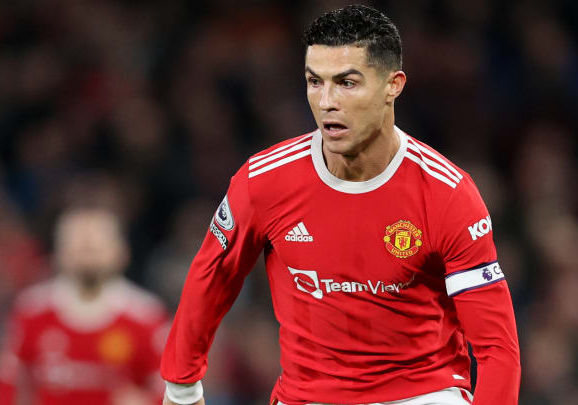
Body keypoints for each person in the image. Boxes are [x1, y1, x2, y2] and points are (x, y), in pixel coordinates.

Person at [161, 5, 520, 405]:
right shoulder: (264, 181)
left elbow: (496, 347)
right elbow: (212, 275)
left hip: (422, 394)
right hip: (307, 397)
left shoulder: (447, 195)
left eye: (347, 83)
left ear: (393, 85)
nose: (326, 101)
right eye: (315, 82)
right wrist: (181, 387)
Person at [0, 206, 169, 405]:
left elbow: (171, 390)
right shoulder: (29, 312)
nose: (86, 244)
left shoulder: (147, 317)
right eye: (76, 242)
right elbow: (5, 386)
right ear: (57, 253)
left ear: (122, 251)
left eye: (96, 243)